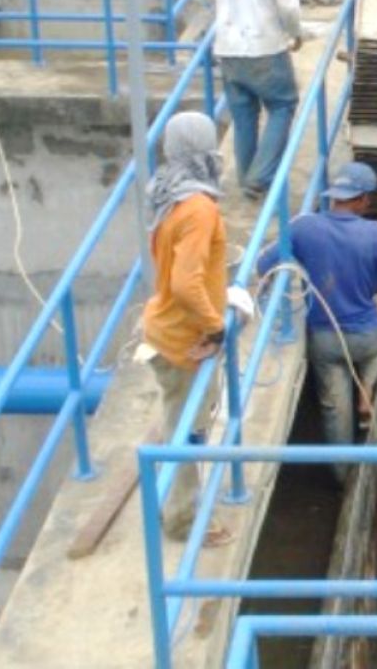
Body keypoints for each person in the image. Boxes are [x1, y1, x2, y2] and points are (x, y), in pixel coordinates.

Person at [140, 111, 244, 546]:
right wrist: (215, 324)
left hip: (165, 326)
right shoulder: (200, 208)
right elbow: (186, 282)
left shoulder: (169, 190)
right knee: (186, 428)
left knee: (182, 418)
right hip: (186, 338)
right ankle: (182, 521)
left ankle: (177, 489)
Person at [257, 162, 377, 481]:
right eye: (367, 198)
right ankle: (367, 388)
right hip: (368, 333)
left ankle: (342, 476)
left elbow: (264, 263)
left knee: (334, 408)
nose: (368, 204)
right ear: (359, 200)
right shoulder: (375, 233)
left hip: (326, 336)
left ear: (335, 196)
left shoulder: (305, 227)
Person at [193, 0, 302, 200]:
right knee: (283, 105)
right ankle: (260, 177)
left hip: (228, 46)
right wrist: (295, 33)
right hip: (266, 45)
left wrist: (226, 6)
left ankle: (245, 179)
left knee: (243, 116)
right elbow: (288, 4)